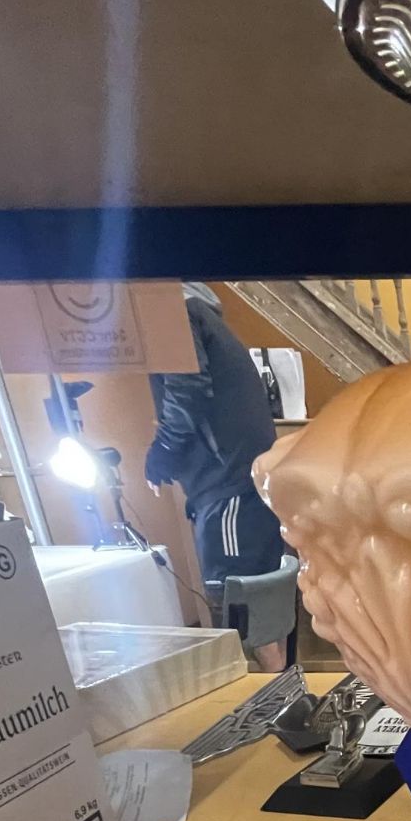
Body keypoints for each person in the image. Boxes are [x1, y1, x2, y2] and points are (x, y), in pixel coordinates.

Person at [146, 283, 290, 667]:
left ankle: (272, 710)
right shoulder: (200, 315)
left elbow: (187, 391)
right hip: (240, 480)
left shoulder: (168, 312)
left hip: (227, 485)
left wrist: (162, 451)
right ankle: (287, 703)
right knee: (258, 609)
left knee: (239, 610)